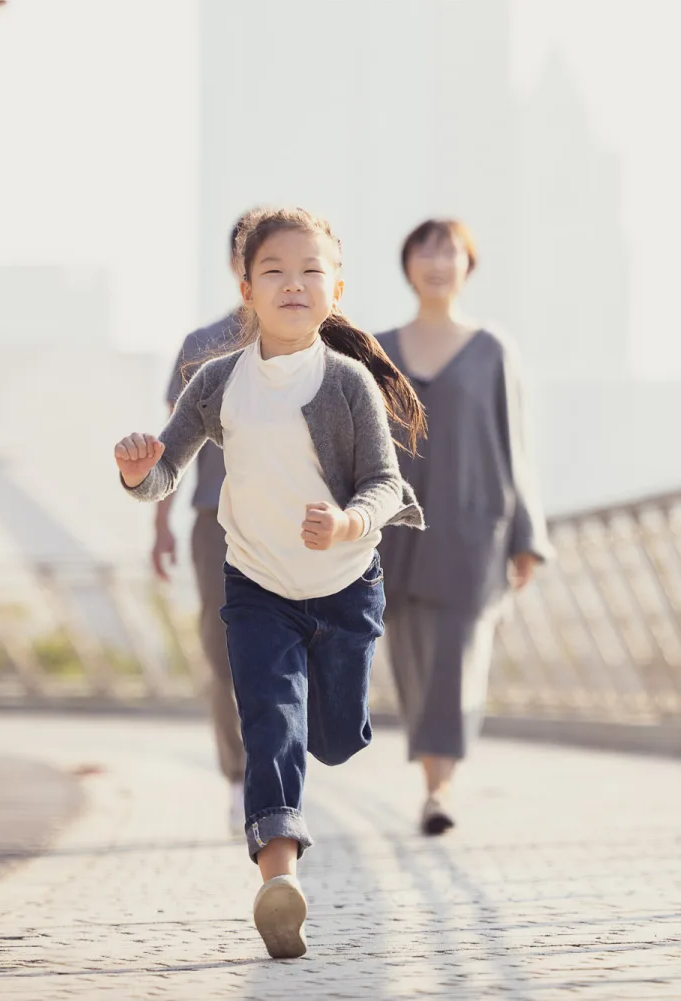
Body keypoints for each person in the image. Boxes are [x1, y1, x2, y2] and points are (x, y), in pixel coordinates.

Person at [115, 207, 426, 960]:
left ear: (336, 288)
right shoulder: (217, 378)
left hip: (346, 584)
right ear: (245, 290)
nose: (294, 284)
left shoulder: (348, 381)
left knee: (334, 736)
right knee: (270, 723)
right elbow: (165, 472)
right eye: (275, 272)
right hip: (256, 584)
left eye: (310, 271)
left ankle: (325, 741)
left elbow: (386, 485)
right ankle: (277, 876)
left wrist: (350, 524)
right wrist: (135, 472)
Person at [375, 218, 552, 837]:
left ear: (468, 266)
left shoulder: (491, 350)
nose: (437, 262)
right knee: (413, 665)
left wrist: (528, 537)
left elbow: (515, 447)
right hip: (393, 530)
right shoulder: (374, 350)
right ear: (407, 265)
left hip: (475, 530)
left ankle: (437, 789)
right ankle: (434, 777)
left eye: (449, 251)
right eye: (425, 250)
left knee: (456, 660)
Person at [152, 211, 260, 834]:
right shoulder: (201, 344)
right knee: (223, 654)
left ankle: (280, 770)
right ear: (236, 266)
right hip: (212, 521)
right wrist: (159, 524)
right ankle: (238, 776)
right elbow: (171, 444)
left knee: (290, 649)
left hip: (295, 523)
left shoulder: (317, 342)